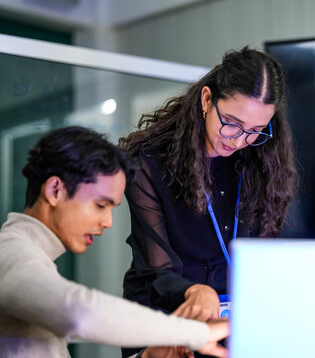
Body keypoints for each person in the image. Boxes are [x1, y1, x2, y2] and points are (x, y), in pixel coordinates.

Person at [119, 47, 297, 357]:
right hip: (163, 319)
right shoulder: (149, 162)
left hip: (231, 322)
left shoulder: (262, 161)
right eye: (231, 122)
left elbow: (266, 257)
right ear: (206, 100)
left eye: (255, 131)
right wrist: (195, 291)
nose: (239, 140)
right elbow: (156, 270)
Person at [0, 126, 229, 358]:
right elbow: (80, 313)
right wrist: (193, 332)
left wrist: (146, 357)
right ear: (55, 190)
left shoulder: (32, 259)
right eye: (100, 205)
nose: (108, 222)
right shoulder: (10, 253)